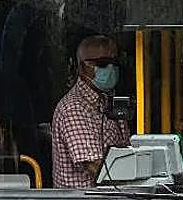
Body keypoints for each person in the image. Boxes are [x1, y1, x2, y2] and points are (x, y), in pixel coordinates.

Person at [51, 35, 131, 189]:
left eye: (114, 62)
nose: (110, 68)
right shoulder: (73, 108)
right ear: (82, 67)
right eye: (102, 63)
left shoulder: (109, 100)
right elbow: (97, 169)